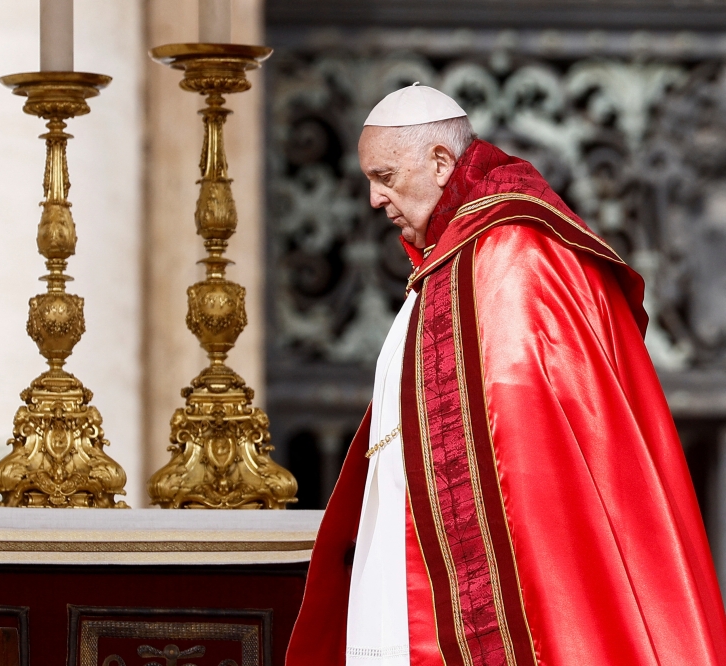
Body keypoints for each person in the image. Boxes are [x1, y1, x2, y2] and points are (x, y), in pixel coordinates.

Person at [285, 84, 726, 666]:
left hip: (478, 577)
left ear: (441, 162)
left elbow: (530, 452)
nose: (374, 198)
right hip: (399, 554)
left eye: (386, 176)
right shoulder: (453, 258)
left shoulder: (513, 253)